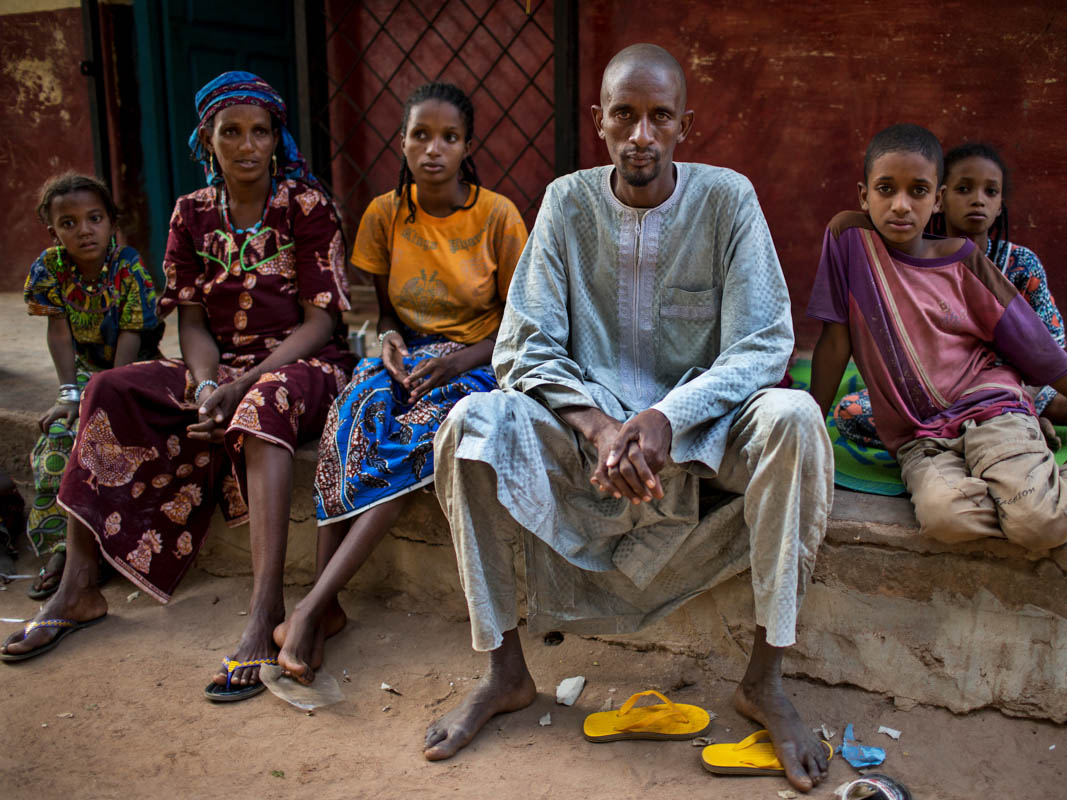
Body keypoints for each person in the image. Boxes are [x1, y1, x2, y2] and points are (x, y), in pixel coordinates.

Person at [424, 44, 835, 793]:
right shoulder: (566, 202)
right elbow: (523, 344)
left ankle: (765, 680)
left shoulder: (727, 199)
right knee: (469, 426)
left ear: (685, 124)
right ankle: (504, 671)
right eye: (624, 115)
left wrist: (665, 417)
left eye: (659, 116)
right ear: (600, 123)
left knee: (796, 417)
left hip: (703, 429)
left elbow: (765, 341)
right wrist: (601, 428)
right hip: (589, 437)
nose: (641, 133)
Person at [1, 72, 357, 704]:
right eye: (231, 132)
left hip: (307, 366)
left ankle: (262, 611)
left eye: (261, 131)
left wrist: (241, 382)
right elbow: (192, 320)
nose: (248, 145)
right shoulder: (190, 214)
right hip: (216, 370)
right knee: (108, 387)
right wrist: (201, 387)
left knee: (261, 401)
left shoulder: (305, 207)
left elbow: (322, 320)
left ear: (278, 138)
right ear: (207, 139)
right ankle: (78, 586)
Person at [807, 124, 1067, 553]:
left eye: (918, 191)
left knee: (1038, 528)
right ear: (864, 196)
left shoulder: (965, 262)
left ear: (935, 199)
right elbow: (833, 343)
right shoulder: (849, 240)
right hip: (921, 436)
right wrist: (808, 433)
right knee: (947, 520)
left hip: (991, 409)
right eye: (886, 189)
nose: (901, 205)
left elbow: (1043, 353)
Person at [275, 82, 528, 683]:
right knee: (348, 420)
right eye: (421, 135)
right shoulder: (386, 213)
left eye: (449, 137)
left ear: (468, 146)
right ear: (404, 141)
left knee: (410, 446)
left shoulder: (497, 215)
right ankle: (326, 603)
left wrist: (462, 361)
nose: (433, 149)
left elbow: (525, 323)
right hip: (406, 355)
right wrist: (385, 339)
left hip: (478, 365)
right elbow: (377, 309)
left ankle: (308, 610)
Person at [831, 142, 1067, 451]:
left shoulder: (1020, 263)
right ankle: (1009, 425)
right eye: (964, 189)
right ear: (940, 199)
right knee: (850, 413)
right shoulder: (909, 261)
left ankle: (997, 419)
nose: (977, 200)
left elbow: (1051, 343)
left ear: (1000, 205)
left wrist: (1002, 377)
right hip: (938, 390)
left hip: (1014, 384)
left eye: (990, 192)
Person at [21, 173, 162, 599]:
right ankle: (61, 551)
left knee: (105, 438)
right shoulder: (50, 269)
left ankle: (106, 549)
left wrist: (104, 397)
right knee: (58, 442)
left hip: (134, 370)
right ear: (53, 231)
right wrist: (69, 394)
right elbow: (60, 332)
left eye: (94, 218)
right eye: (69, 223)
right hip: (86, 370)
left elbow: (133, 338)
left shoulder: (128, 267)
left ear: (111, 222)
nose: (83, 230)